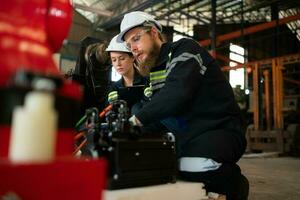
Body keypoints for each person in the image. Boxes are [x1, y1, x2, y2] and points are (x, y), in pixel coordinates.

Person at [117, 11, 249, 200]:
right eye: (129, 45)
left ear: (154, 32)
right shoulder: (154, 71)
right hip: (188, 136)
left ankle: (235, 184)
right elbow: (159, 114)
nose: (133, 48)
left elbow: (178, 92)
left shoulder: (185, 49)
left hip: (220, 129)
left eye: (136, 39)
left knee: (190, 166)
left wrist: (135, 120)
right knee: (160, 166)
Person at [105, 34, 149, 114]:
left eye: (122, 58)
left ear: (132, 57)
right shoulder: (114, 88)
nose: (118, 64)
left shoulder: (146, 83)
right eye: (114, 60)